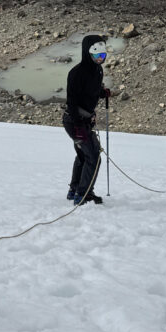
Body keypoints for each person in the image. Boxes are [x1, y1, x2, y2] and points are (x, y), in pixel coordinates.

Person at [63, 34, 111, 205]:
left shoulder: (97, 71)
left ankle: (74, 190)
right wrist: (78, 126)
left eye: (103, 56)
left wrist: (101, 93)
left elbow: (90, 90)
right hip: (74, 121)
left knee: (85, 156)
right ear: (87, 53)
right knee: (93, 157)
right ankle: (84, 194)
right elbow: (72, 101)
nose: (100, 59)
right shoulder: (76, 73)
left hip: (84, 121)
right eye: (97, 55)